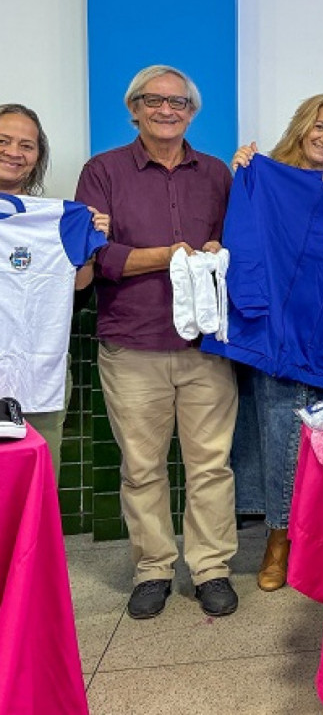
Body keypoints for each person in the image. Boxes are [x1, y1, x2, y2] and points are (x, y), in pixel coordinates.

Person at [75, 65, 239, 619]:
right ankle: (153, 570)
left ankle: (212, 567)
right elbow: (100, 258)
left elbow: (238, 246)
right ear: (134, 109)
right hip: (133, 344)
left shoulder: (217, 174)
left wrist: (215, 247)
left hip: (206, 350)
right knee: (141, 467)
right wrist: (174, 255)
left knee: (211, 466)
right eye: (153, 101)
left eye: (178, 102)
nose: (166, 110)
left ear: (192, 111)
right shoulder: (102, 172)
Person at [228, 93, 323, 592]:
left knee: (317, 447)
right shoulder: (261, 175)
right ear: (302, 127)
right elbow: (240, 241)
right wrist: (249, 305)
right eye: (321, 127)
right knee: (277, 440)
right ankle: (277, 541)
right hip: (270, 331)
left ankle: (308, 543)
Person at [0, 104, 110, 479]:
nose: (14, 152)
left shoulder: (57, 221)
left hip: (34, 373)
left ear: (37, 158)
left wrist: (88, 246)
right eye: (3, 140)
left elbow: (75, 298)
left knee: (34, 477)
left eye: (26, 145)